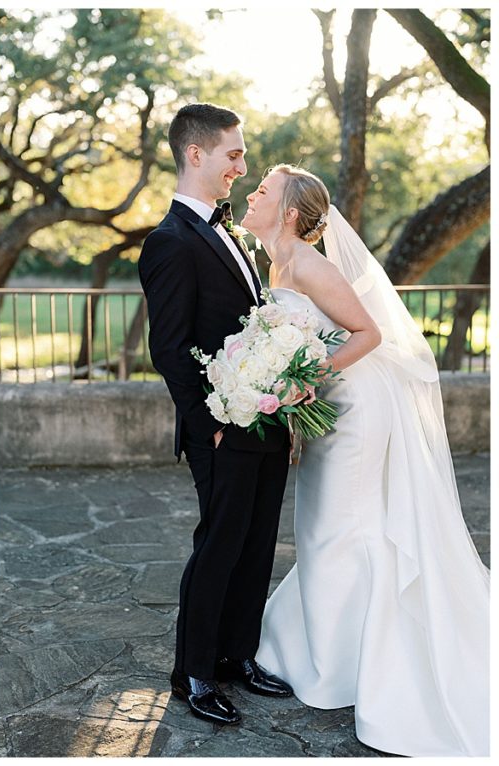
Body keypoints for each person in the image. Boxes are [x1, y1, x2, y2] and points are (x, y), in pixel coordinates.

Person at [243, 164, 489, 757]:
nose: (250, 196)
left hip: (356, 407)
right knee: (322, 528)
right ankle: (327, 646)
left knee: (341, 527)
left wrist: (303, 383)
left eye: (262, 192)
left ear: (291, 213)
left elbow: (367, 334)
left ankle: (348, 663)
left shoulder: (309, 264)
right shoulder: (275, 264)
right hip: (327, 405)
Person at [137, 103, 294, 727]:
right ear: (195, 154)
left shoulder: (228, 231)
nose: (242, 166)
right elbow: (170, 350)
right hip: (221, 428)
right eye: (233, 154)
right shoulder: (169, 242)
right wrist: (215, 424)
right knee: (219, 544)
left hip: (265, 419)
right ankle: (194, 672)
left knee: (257, 544)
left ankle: (237, 655)